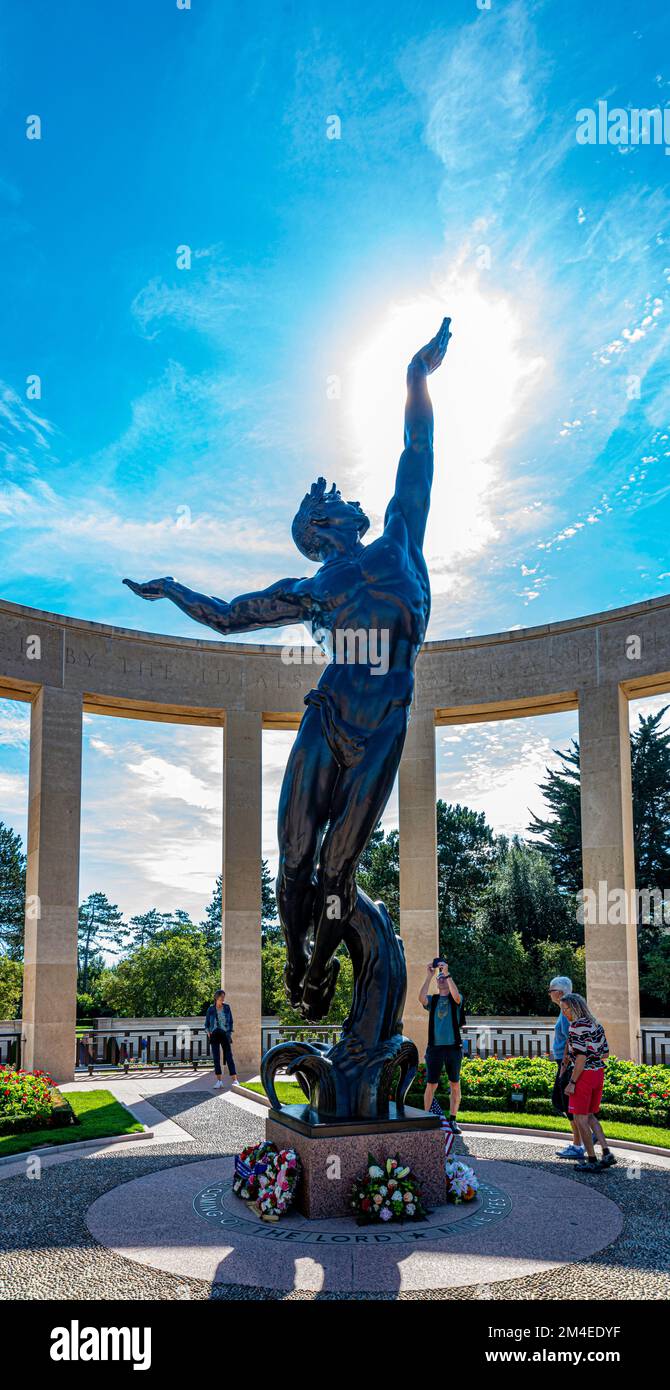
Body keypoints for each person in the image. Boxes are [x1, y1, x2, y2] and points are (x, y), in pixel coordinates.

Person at [123, 318, 452, 1024]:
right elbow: (229, 615)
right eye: (335, 502)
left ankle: (321, 966)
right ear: (323, 525)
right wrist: (173, 587)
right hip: (328, 717)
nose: (349, 498)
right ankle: (296, 959)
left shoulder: (401, 536)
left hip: (382, 727)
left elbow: (417, 449)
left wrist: (415, 375)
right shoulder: (311, 587)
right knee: (294, 857)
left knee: (339, 867)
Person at [560, 993, 616, 1172]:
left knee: (580, 1118)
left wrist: (572, 1082)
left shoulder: (576, 1027)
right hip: (598, 1073)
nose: (564, 1013)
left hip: (583, 1075)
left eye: (565, 1009)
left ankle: (592, 1160)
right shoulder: (595, 1025)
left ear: (574, 1008)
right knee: (591, 1115)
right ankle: (606, 1153)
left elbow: (582, 1058)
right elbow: (605, 1053)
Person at [548, 974, 593, 1160]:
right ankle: (583, 1139)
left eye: (551, 990)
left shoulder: (567, 1012)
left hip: (566, 1063)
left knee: (566, 1103)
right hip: (566, 1062)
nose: (549, 994)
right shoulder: (566, 1009)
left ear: (559, 993)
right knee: (563, 1102)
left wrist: (565, 1065)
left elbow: (572, 1040)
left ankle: (578, 1144)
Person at [419, 959, 466, 1133]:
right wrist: (429, 976)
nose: (441, 978)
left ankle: (453, 1120)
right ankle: (426, 1118)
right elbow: (421, 998)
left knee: (455, 1084)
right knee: (432, 1084)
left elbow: (455, 996)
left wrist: (447, 973)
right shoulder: (434, 999)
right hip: (435, 1048)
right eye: (439, 977)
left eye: (443, 977)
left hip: (453, 1047)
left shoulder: (456, 998)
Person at [205, 989, 238, 1089]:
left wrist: (229, 1032)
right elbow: (206, 1024)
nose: (223, 999)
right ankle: (219, 1081)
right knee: (216, 1058)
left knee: (229, 1057)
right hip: (214, 1034)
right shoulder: (210, 1009)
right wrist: (208, 1032)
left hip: (224, 1034)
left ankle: (235, 1080)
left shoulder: (227, 1008)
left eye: (224, 997)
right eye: (221, 997)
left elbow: (231, 1021)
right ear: (216, 998)